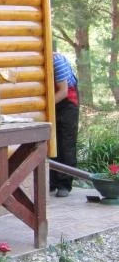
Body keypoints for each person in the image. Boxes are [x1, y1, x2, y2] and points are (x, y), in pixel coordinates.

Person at [50, 50, 79, 198]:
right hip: (53, 102)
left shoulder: (57, 61)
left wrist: (46, 107)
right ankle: (52, 182)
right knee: (51, 142)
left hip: (67, 103)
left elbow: (63, 91)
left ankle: (64, 184)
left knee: (66, 144)